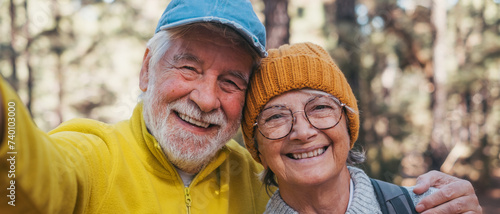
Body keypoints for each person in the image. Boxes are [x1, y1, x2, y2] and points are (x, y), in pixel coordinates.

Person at [0, 0, 480, 213]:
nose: (206, 98)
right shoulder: (94, 156)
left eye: (230, 81)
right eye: (188, 68)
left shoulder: (260, 179)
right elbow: (34, 179)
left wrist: (448, 200)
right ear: (147, 70)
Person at [241, 42, 482, 214]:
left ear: (348, 124)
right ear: (257, 146)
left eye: (320, 108)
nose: (303, 132)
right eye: (275, 117)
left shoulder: (428, 208)